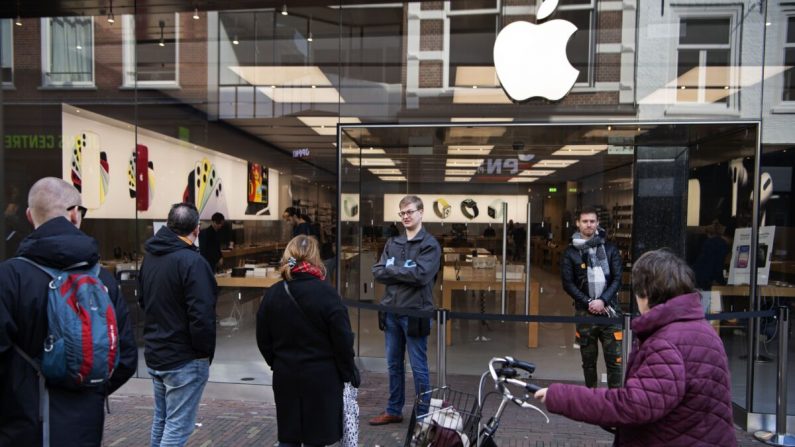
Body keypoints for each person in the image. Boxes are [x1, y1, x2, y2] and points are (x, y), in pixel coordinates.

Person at [535, 249, 736, 446]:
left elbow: (633, 405)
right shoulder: (703, 330)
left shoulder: (665, 342)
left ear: (646, 292)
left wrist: (560, 396)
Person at [0, 177, 137, 445]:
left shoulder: (9, 277)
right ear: (75, 214)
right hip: (85, 424)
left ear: (29, 216)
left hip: (22, 427)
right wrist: (91, 390)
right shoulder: (103, 280)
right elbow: (126, 357)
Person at [256, 235, 359, 447]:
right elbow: (343, 340)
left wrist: (277, 362)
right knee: (317, 439)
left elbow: (263, 339)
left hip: (286, 375)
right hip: (322, 377)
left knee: (288, 437)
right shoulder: (328, 294)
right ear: (315, 257)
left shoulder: (273, 294)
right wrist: (347, 371)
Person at [139, 202, 218, 447]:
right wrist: (203, 352)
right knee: (177, 426)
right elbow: (202, 315)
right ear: (196, 229)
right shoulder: (192, 262)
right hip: (184, 358)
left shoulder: (150, 258)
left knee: (163, 420)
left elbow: (143, 301)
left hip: (157, 352)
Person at [369, 195, 441, 426]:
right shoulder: (393, 243)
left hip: (415, 313)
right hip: (391, 312)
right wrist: (404, 269)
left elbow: (421, 276)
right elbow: (378, 271)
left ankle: (422, 415)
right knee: (393, 364)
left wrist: (394, 269)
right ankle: (394, 410)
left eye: (410, 212)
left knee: (419, 367)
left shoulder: (429, 245)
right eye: (402, 213)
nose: (406, 217)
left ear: (421, 212)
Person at [561, 206, 623, 389]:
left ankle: (615, 399)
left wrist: (602, 300)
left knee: (615, 361)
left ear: (597, 223)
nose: (589, 225)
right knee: (588, 362)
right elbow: (568, 283)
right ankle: (591, 398)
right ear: (578, 224)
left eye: (592, 221)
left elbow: (618, 278)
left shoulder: (611, 249)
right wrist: (589, 302)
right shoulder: (570, 252)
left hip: (610, 312)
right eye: (585, 221)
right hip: (584, 312)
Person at [692, 220, 729, 291]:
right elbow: (717, 270)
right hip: (707, 283)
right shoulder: (720, 244)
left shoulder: (707, 244)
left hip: (698, 282)